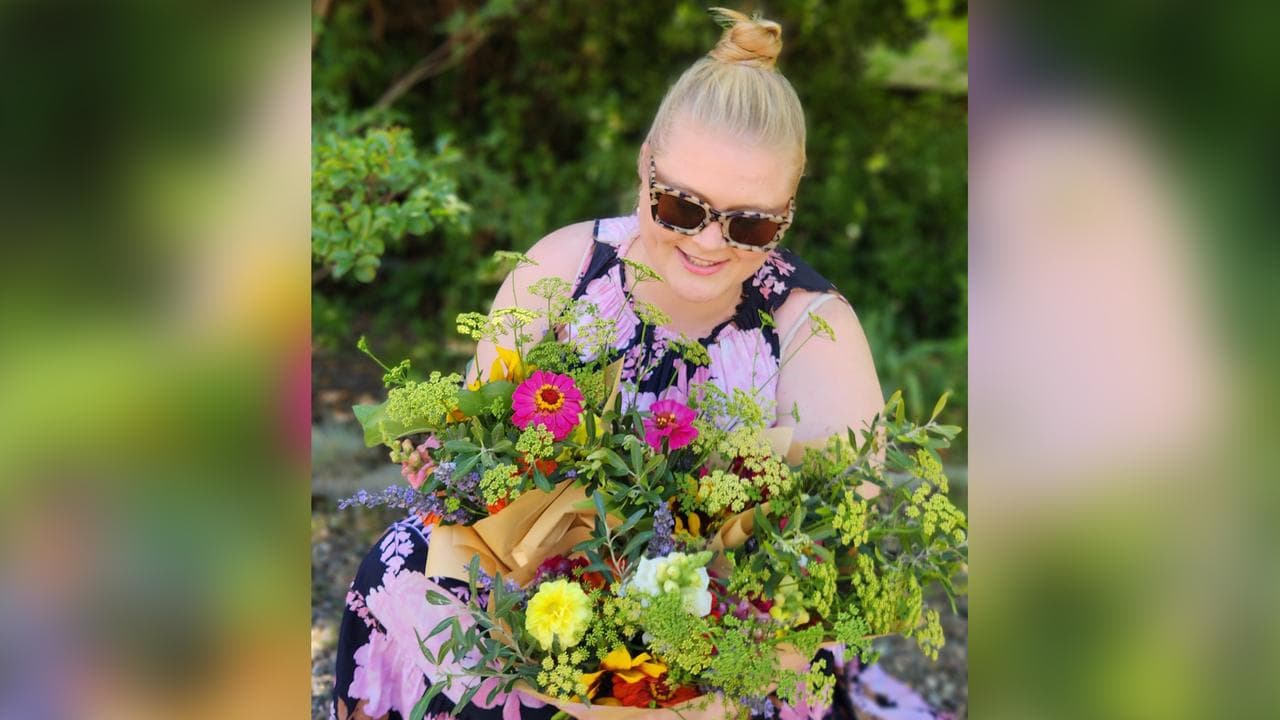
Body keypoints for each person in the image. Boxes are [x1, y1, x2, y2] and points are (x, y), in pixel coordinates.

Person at [333, 8, 943, 719]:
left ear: (790, 208)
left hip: (725, 633)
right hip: (531, 584)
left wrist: (676, 672)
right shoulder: (562, 270)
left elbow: (832, 563)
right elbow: (479, 457)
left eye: (751, 223)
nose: (710, 243)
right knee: (404, 557)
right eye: (681, 207)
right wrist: (452, 469)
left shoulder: (813, 330)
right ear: (644, 163)